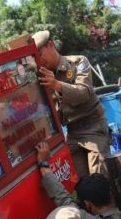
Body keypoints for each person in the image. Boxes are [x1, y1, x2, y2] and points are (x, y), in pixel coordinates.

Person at [32, 30, 110, 178]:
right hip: (72, 134)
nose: (39, 61)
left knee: (99, 181)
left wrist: (56, 85)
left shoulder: (78, 62)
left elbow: (84, 93)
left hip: (93, 128)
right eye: (35, 58)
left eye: (40, 54)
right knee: (78, 183)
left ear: (51, 45)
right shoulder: (41, 78)